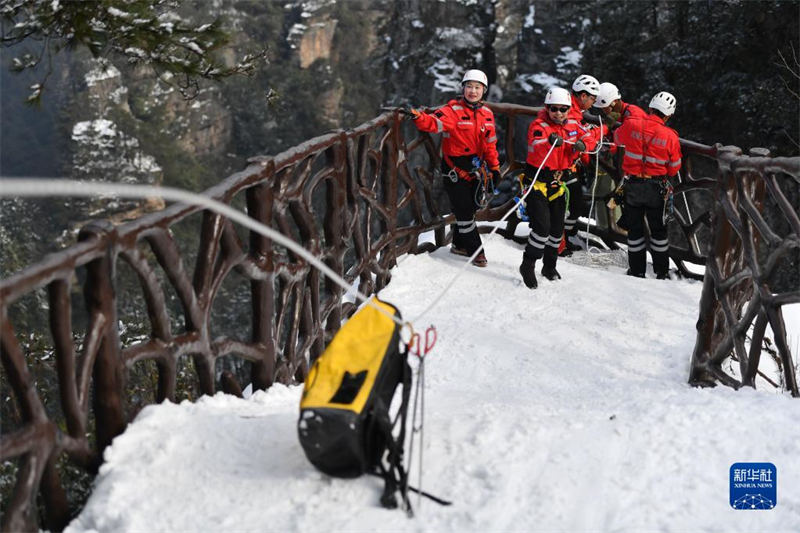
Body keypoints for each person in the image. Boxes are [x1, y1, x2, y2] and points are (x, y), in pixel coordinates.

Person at [411, 69, 501, 267]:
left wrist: (495, 168)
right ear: (463, 88)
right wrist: (418, 116)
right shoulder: (452, 111)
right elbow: (433, 122)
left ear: (483, 91)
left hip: (477, 170)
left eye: (477, 87)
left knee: (472, 207)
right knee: (465, 211)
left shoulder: (487, 114)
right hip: (454, 170)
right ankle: (477, 251)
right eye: (469, 87)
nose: (473, 91)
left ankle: (459, 244)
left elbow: (490, 144)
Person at [518, 87, 587, 289]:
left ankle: (549, 266)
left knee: (557, 230)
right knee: (542, 228)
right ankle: (528, 263)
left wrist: (584, 144)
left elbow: (588, 136)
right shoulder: (539, 125)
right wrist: (550, 142)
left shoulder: (573, 123)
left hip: (558, 184)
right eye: (554, 109)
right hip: (538, 184)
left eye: (563, 109)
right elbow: (536, 144)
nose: (558, 113)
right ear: (547, 108)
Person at [613, 91, 682, 279]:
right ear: (668, 115)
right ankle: (661, 271)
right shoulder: (671, 136)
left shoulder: (631, 124)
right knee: (658, 231)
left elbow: (617, 139)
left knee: (635, 230)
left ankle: (636, 270)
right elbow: (674, 168)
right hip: (655, 188)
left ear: (650, 108)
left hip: (633, 185)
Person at [561, 74, 606, 255]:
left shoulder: (573, 110)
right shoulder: (569, 111)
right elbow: (582, 136)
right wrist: (603, 129)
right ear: (583, 96)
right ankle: (561, 241)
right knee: (566, 206)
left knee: (574, 203)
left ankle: (566, 236)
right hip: (562, 166)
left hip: (568, 165)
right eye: (592, 99)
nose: (592, 104)